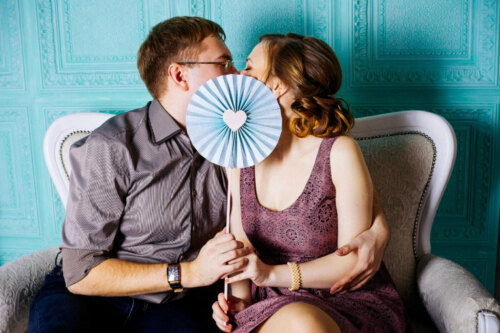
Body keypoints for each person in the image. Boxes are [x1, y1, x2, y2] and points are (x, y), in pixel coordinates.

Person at [28, 16, 390, 333]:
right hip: (98, 295)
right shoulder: (112, 146)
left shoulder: (238, 142)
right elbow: (80, 273)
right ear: (179, 74)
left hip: (176, 304)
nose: (235, 75)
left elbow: (309, 195)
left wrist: (379, 228)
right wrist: (191, 274)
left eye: (241, 65)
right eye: (224, 63)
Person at [212, 34, 407, 333]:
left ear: (277, 86)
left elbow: (352, 262)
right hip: (269, 305)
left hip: (342, 300)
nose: (239, 75)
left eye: (249, 68)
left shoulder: (339, 152)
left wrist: (269, 275)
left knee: (303, 323)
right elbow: (241, 248)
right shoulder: (238, 156)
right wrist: (237, 302)